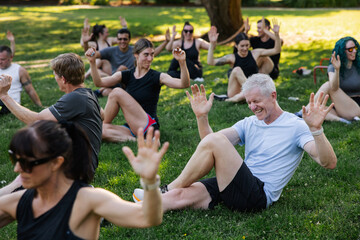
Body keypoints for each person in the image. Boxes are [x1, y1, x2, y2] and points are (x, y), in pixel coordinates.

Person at [133, 74, 337, 213]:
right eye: (249, 102)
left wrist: (316, 130)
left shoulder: (296, 126)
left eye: (256, 101)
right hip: (237, 185)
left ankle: (165, 189)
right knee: (181, 196)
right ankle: (126, 210)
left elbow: (328, 162)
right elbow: (209, 145)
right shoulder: (249, 123)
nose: (252, 107)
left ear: (273, 96)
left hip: (257, 196)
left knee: (214, 144)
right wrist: (202, 117)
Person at [0, 120, 168, 239]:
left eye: (26, 163)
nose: (17, 169)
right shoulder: (19, 202)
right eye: (15, 159)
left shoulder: (88, 199)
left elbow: (148, 218)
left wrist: (150, 181)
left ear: (56, 163)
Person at [0, 53, 102, 173]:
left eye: (55, 76)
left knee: (25, 178)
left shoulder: (76, 98)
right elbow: (102, 116)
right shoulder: (86, 93)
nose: (55, 79)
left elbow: (36, 121)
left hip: (77, 167)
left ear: (63, 79)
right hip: (82, 162)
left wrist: (4, 95)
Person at [85, 38, 190, 143]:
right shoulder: (127, 75)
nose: (150, 59)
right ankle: (141, 141)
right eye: (146, 55)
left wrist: (182, 62)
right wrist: (92, 62)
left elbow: (184, 84)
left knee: (116, 92)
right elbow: (99, 83)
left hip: (148, 125)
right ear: (136, 55)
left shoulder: (157, 76)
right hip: (132, 127)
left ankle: (148, 137)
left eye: (152, 54)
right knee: (100, 131)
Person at [207, 18, 281, 103]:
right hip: (236, 90)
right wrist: (212, 44)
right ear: (236, 46)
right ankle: (243, 95)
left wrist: (276, 35)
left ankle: (229, 100)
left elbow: (276, 50)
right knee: (237, 70)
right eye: (242, 46)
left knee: (253, 87)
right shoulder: (232, 58)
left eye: (247, 45)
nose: (245, 48)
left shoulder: (255, 53)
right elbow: (210, 62)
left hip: (246, 91)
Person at [87, 23, 170, 97]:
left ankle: (100, 91)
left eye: (125, 39)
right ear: (117, 39)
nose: (122, 41)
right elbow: (97, 54)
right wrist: (90, 50)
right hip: (116, 81)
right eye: (120, 39)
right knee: (107, 92)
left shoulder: (135, 51)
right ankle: (104, 90)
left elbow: (153, 53)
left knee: (122, 70)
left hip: (130, 81)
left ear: (129, 40)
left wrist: (166, 42)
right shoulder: (111, 50)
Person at [295, 36, 360, 123]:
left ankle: (301, 113)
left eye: (355, 48)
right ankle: (344, 121)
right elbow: (334, 87)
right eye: (350, 49)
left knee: (327, 85)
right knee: (317, 109)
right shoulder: (333, 67)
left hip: (356, 107)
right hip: (340, 107)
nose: (354, 51)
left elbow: (332, 88)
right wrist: (337, 70)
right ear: (342, 52)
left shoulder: (358, 66)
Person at [0, 45, 42, 115]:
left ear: (11, 58)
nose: (0, 62)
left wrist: (40, 106)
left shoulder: (19, 70)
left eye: (2, 59)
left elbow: (30, 90)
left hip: (10, 105)